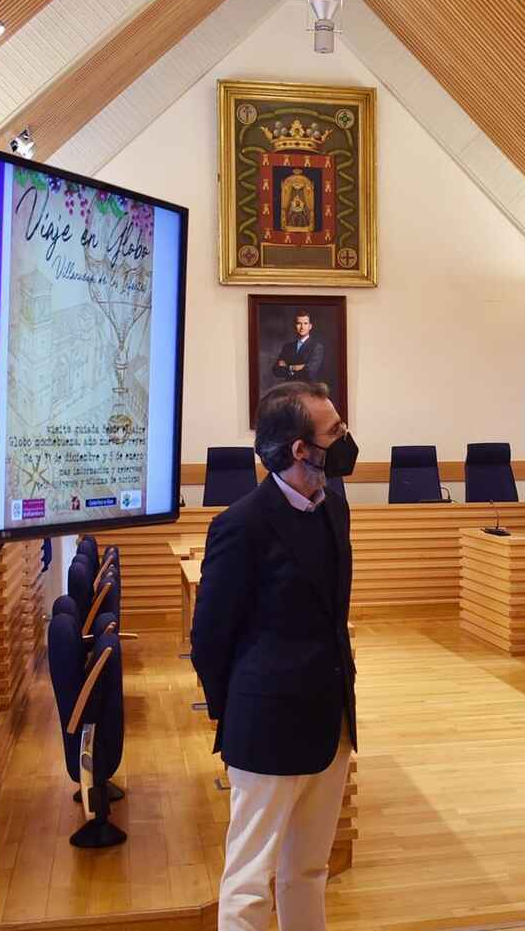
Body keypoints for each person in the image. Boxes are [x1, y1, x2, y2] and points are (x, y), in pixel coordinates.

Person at [190, 381, 361, 931]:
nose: (345, 439)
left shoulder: (336, 502)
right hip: (264, 726)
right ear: (299, 449)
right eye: (333, 431)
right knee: (248, 882)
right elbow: (209, 639)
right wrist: (234, 712)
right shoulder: (239, 525)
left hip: (330, 719)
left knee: (309, 870)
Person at [273, 310, 326, 384]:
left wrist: (287, 367)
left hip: (308, 389)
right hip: (289, 389)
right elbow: (276, 370)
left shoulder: (316, 347)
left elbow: (309, 372)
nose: (302, 327)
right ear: (295, 325)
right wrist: (294, 367)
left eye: (305, 323)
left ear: (310, 326)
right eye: (299, 323)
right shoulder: (287, 347)